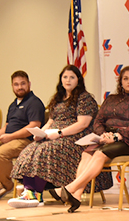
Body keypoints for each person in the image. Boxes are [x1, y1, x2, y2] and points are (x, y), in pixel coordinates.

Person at [56, 65, 129, 213]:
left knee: (100, 153)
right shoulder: (111, 99)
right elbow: (98, 121)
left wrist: (117, 136)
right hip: (107, 138)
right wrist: (103, 134)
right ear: (120, 81)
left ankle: (70, 188)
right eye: (125, 78)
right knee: (86, 153)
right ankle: (76, 195)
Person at [8, 64, 99, 207]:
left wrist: (60, 133)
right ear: (61, 80)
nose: (68, 80)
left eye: (72, 77)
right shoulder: (58, 98)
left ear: (78, 80)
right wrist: (40, 133)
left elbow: (83, 123)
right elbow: (50, 121)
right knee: (30, 149)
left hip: (75, 138)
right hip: (53, 135)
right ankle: (30, 192)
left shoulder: (85, 98)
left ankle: (34, 194)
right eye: (65, 77)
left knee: (46, 150)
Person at [0, 70, 45, 201]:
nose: (20, 87)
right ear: (12, 86)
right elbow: (6, 127)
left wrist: (11, 136)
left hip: (25, 140)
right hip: (9, 138)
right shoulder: (13, 105)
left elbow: (34, 126)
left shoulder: (34, 102)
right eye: (16, 84)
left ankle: (7, 186)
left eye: (23, 84)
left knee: (0, 154)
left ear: (29, 84)